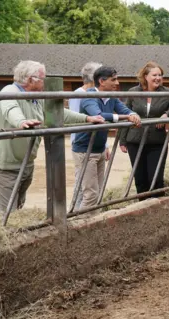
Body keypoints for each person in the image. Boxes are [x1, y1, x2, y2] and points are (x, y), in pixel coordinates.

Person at [0, 60, 104, 215]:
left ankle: (10, 232)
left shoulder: (37, 97)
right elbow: (10, 110)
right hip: (6, 164)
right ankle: (3, 234)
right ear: (30, 80)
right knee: (7, 211)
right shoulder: (9, 91)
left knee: (18, 205)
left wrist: (86, 118)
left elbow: (60, 113)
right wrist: (22, 122)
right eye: (43, 79)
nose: (45, 82)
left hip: (26, 161)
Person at [73, 66, 141, 210]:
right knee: (90, 194)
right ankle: (82, 225)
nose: (117, 83)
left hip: (98, 148)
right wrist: (126, 117)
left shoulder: (111, 97)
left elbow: (124, 109)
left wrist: (133, 114)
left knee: (97, 192)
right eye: (113, 79)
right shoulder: (89, 96)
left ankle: (87, 221)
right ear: (102, 81)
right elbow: (99, 116)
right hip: (85, 150)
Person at [121, 61, 169, 199]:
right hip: (134, 140)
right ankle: (142, 207)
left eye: (160, 75)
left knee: (156, 178)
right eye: (155, 75)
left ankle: (158, 208)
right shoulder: (133, 92)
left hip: (156, 141)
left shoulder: (167, 92)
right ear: (145, 76)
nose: (158, 78)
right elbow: (125, 113)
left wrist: (167, 115)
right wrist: (122, 140)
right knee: (140, 178)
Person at [68, 62, 102, 210]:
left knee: (90, 184)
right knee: (82, 183)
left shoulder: (95, 94)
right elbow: (76, 119)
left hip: (94, 143)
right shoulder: (78, 95)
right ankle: (75, 213)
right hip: (82, 143)